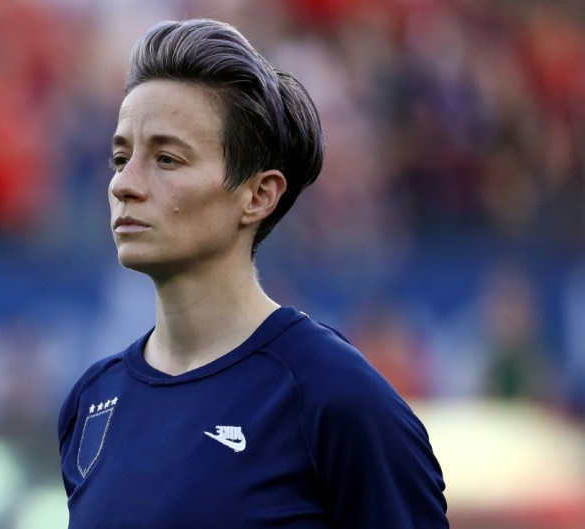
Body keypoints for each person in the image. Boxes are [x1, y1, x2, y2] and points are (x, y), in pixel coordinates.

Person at [58, 18, 448, 528]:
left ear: (258, 195)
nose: (124, 185)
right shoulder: (92, 402)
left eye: (167, 159)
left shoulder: (336, 397)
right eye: (120, 157)